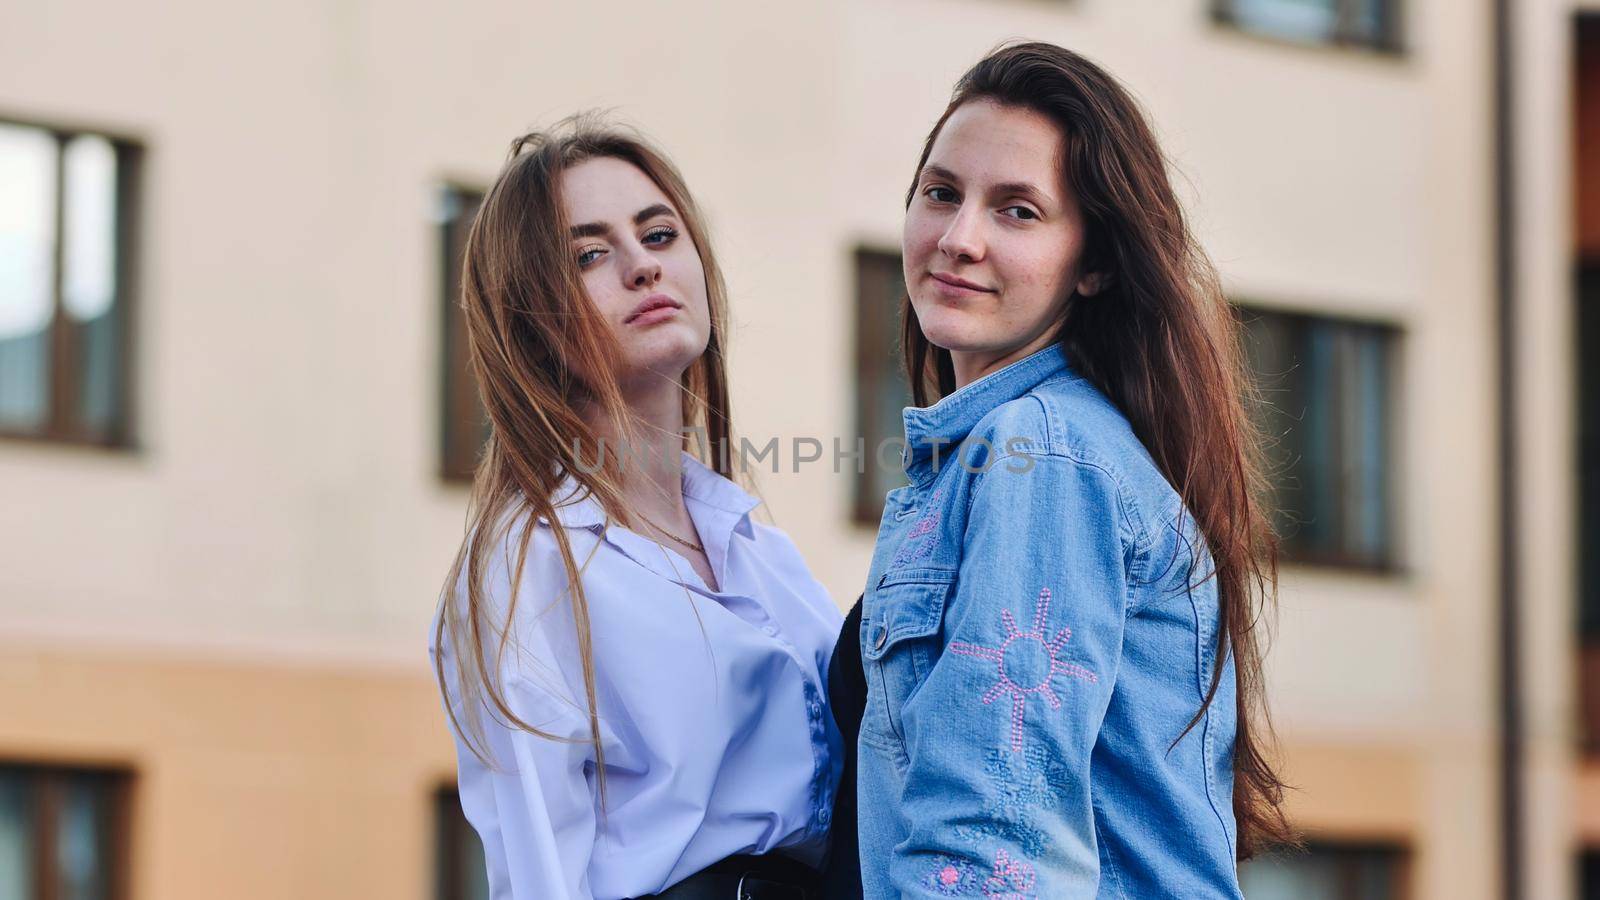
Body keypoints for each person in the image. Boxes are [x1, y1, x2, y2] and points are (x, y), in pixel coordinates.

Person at [842, 42, 1296, 898]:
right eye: (942, 194)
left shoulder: (1041, 453)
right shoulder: (1021, 451)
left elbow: (995, 838)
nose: (958, 238)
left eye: (1017, 211)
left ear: (1092, 266)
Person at [429, 117, 842, 900]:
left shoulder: (757, 545)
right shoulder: (528, 570)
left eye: (658, 234)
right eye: (590, 254)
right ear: (530, 320)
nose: (642, 267)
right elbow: (541, 871)